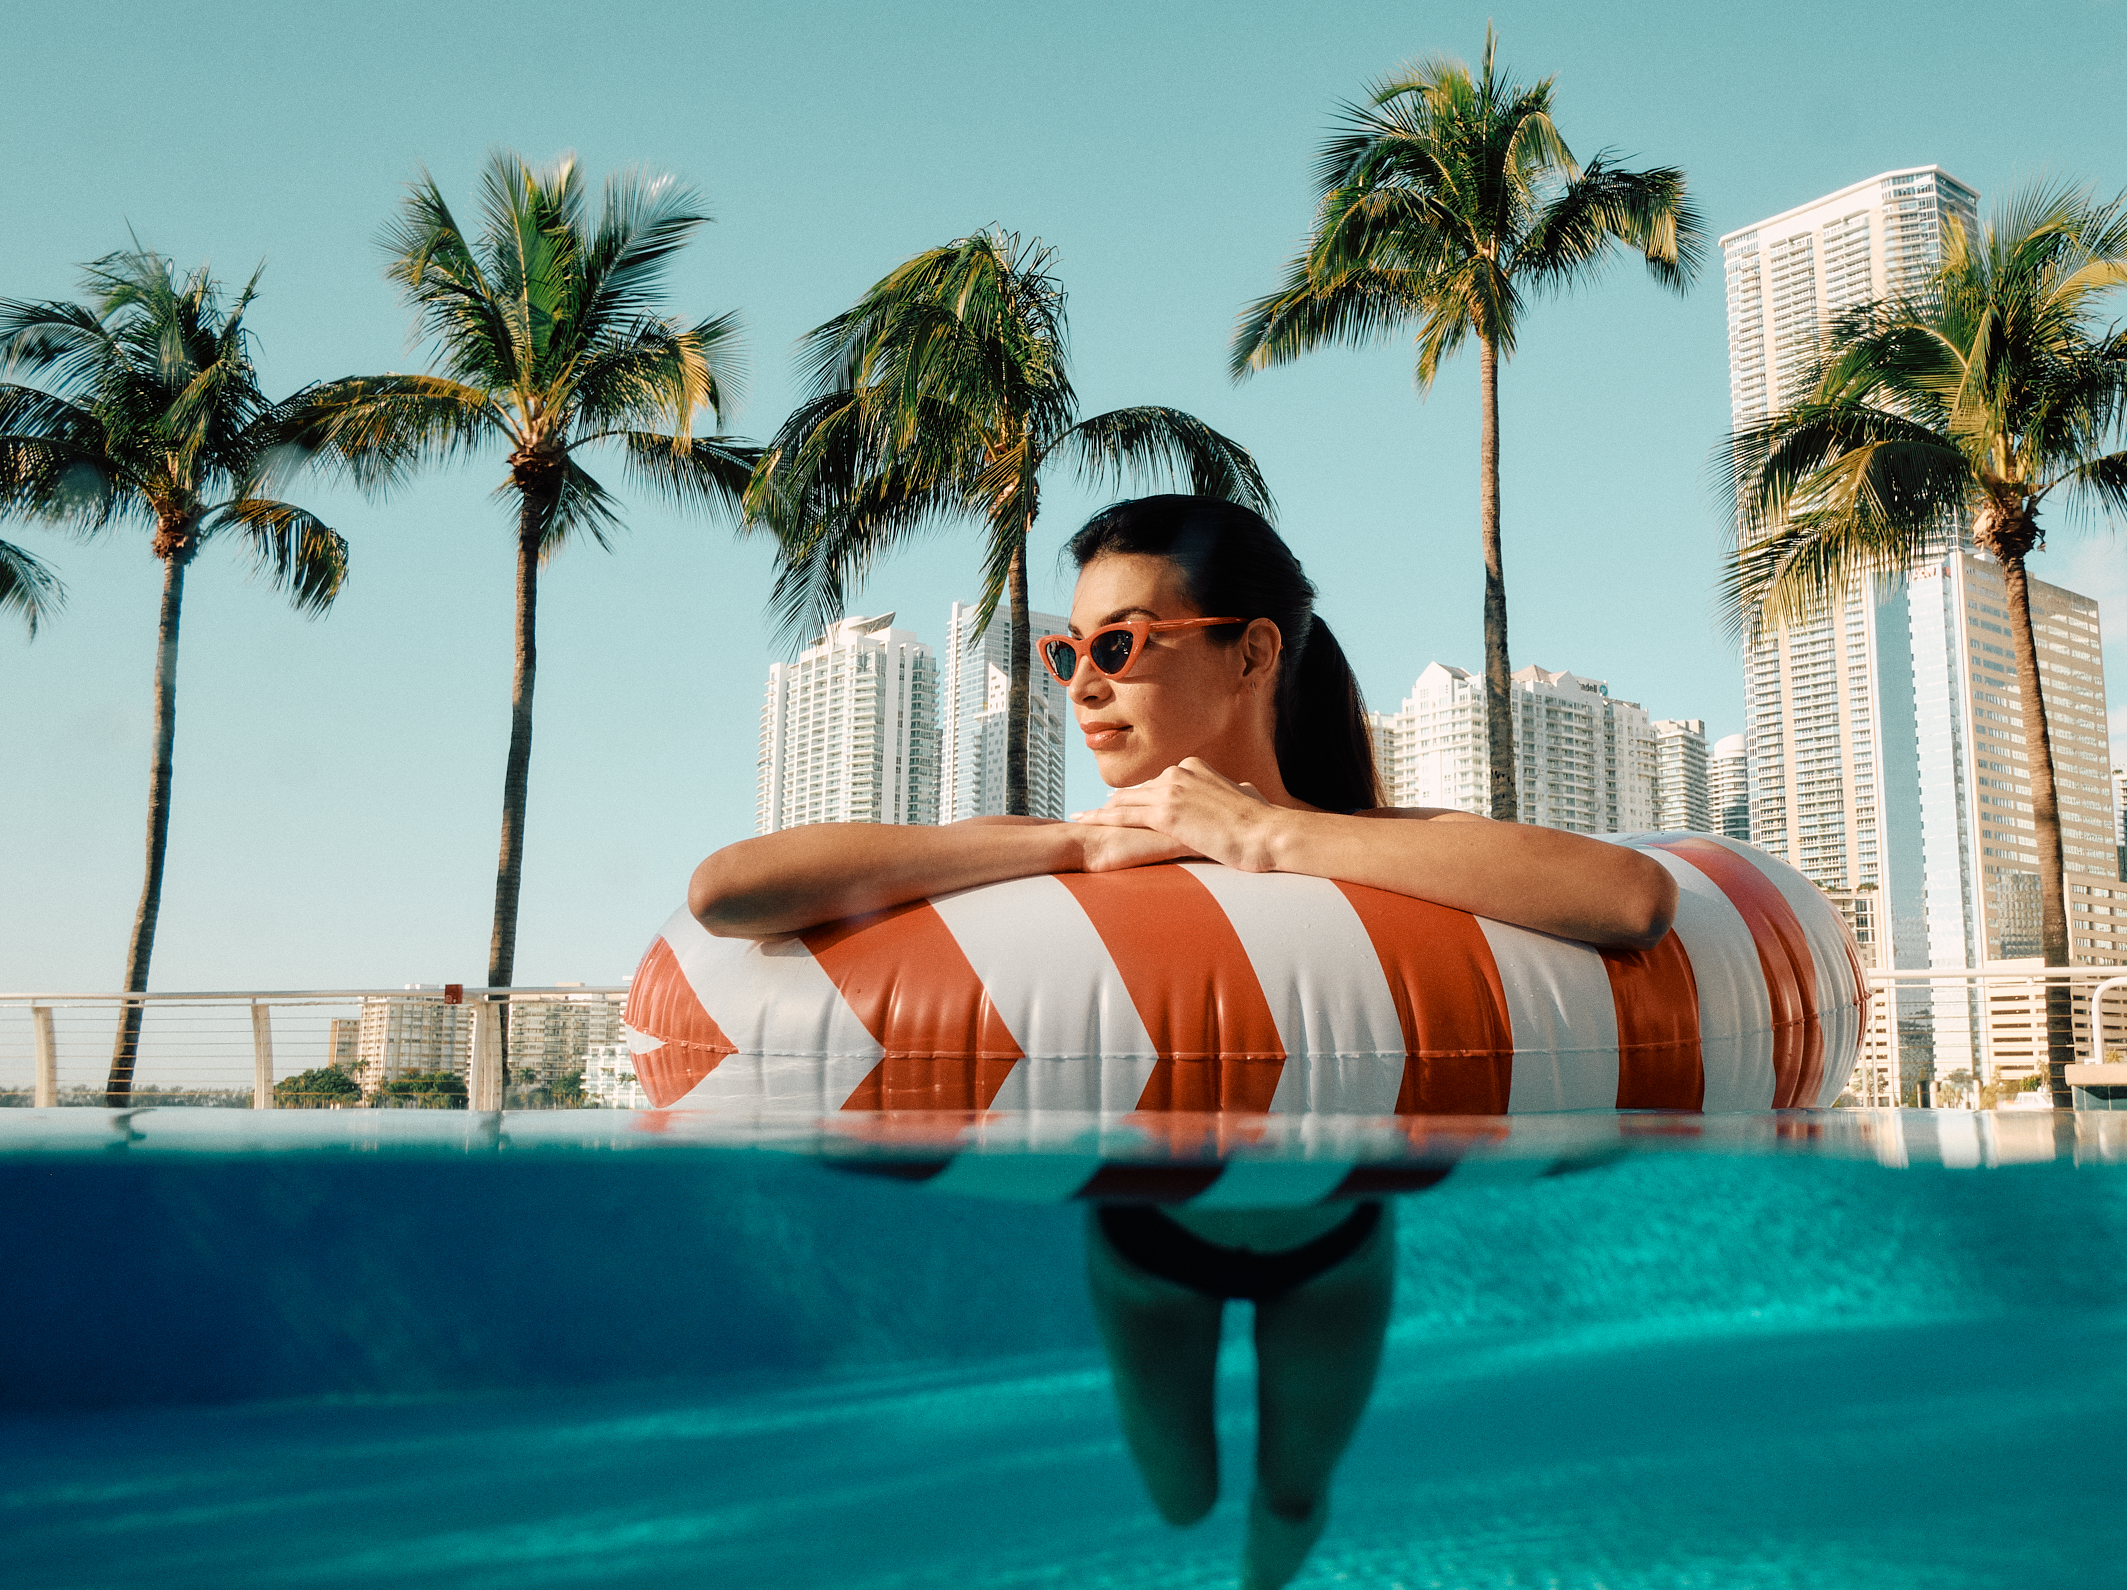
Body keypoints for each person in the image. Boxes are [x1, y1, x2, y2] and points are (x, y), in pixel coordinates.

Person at [688, 495, 1677, 1588]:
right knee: (1180, 1491)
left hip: (1331, 1249)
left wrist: (1264, 832)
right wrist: (1066, 842)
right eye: (1066, 651)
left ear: (1253, 651)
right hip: (1147, 1250)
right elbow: (727, 891)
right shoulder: (1058, 846)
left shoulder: (1371, 844)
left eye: (1119, 643)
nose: (1080, 685)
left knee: (1292, 1489)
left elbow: (1631, 898)